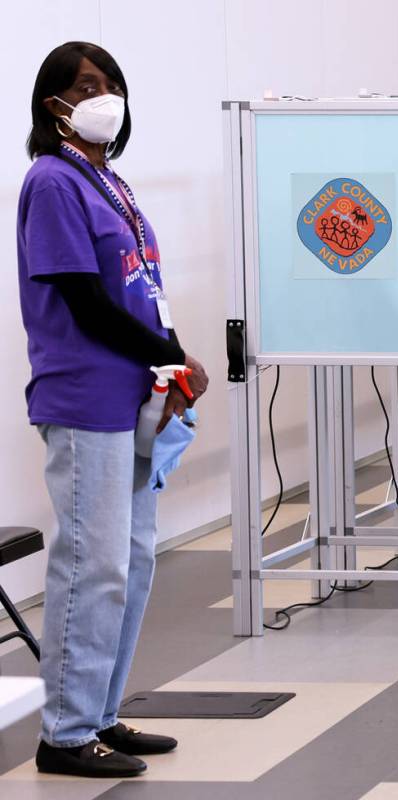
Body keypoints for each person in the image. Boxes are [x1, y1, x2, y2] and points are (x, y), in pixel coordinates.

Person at [17, 42, 209, 778]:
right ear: (53, 104)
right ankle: (64, 733)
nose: (107, 96)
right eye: (89, 86)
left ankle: (99, 713)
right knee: (90, 564)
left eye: (113, 84)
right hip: (84, 394)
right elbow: (84, 302)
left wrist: (173, 356)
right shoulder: (53, 182)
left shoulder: (108, 181)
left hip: (134, 394)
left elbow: (137, 294)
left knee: (129, 562)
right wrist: (165, 354)